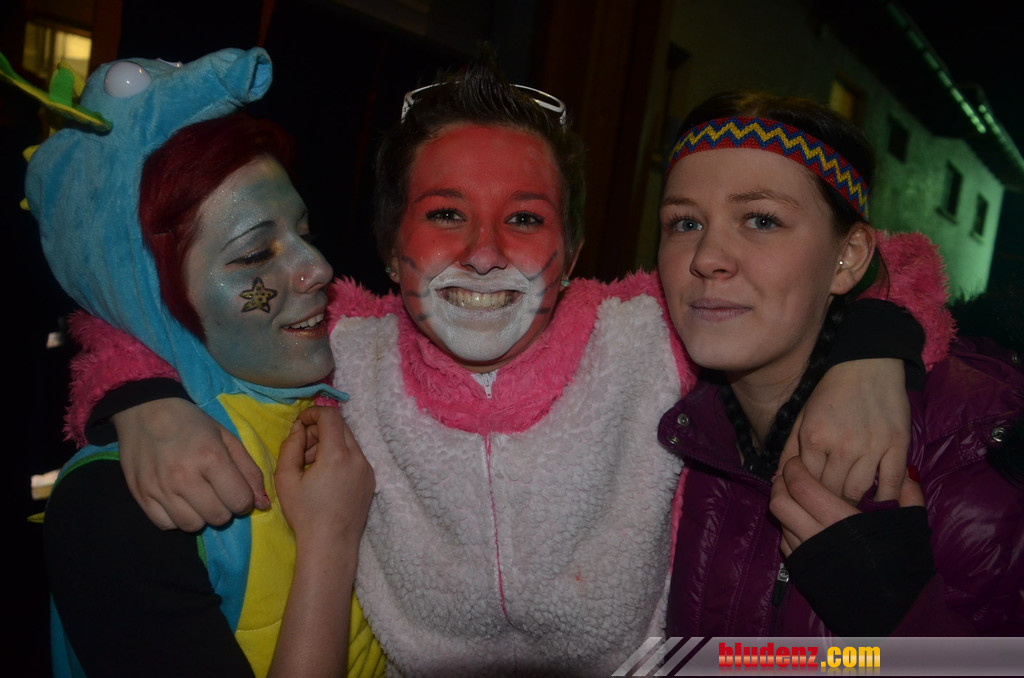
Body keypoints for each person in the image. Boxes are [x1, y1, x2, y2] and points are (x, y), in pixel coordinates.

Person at [61, 59, 953, 673]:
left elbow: (891, 260)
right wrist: (139, 395)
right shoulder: (343, 345)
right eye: (446, 214)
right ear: (390, 247)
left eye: (525, 219)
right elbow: (152, 302)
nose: (484, 253)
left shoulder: (654, 331)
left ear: (574, 255)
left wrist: (872, 352)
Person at [24, 49, 381, 676]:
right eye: (254, 256)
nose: (320, 268)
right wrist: (330, 537)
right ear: (147, 295)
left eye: (304, 233)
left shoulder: (367, 369)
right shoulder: (116, 506)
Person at [657, 91, 1024, 637]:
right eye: (685, 223)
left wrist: (906, 623)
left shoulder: (971, 448)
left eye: (761, 220)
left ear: (848, 257)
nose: (707, 258)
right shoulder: (665, 409)